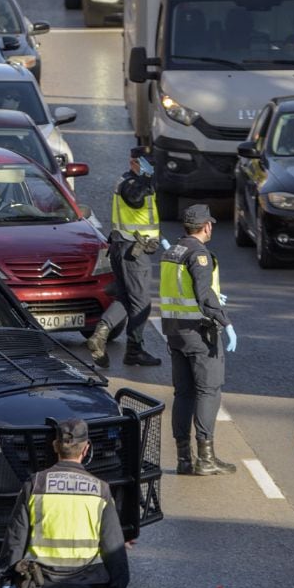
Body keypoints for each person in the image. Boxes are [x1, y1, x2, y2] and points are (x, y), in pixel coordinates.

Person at [0, 418, 129, 588]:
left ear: (55, 446)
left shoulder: (35, 484)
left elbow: (16, 537)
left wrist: (9, 579)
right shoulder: (100, 490)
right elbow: (114, 548)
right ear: (86, 449)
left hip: (42, 586)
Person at [160, 204, 237, 476]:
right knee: (208, 391)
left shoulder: (173, 251)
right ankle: (205, 459)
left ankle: (184, 459)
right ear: (207, 226)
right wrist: (224, 321)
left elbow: (185, 290)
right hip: (199, 332)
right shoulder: (199, 254)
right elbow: (203, 295)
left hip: (174, 331)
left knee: (183, 393)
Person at [86, 146, 165, 368]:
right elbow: (135, 198)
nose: (151, 168)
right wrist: (146, 177)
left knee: (124, 297)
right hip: (132, 252)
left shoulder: (131, 180)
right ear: (134, 163)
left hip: (123, 248)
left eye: (152, 164)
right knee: (141, 303)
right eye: (146, 163)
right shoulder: (131, 183)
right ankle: (135, 349)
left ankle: (101, 334)